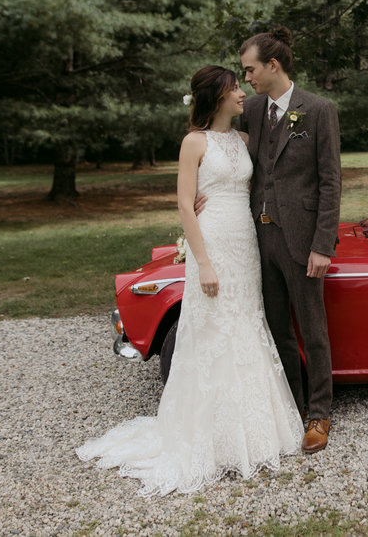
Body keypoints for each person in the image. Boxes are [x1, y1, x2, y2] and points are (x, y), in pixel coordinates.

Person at [76, 66, 303, 496]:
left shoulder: (242, 140)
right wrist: (203, 262)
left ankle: (252, 432)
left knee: (245, 324)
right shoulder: (192, 142)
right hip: (213, 243)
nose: (242, 93)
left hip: (246, 244)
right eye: (235, 88)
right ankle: (211, 438)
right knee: (214, 330)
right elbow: (184, 204)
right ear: (216, 97)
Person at [237, 27, 342, 453]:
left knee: (312, 329)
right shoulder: (253, 109)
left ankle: (319, 415)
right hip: (259, 238)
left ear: (273, 65)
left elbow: (330, 183)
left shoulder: (318, 110)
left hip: (302, 240)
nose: (246, 79)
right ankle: (292, 408)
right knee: (277, 328)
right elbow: (213, 135)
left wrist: (323, 244)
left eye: (250, 70)